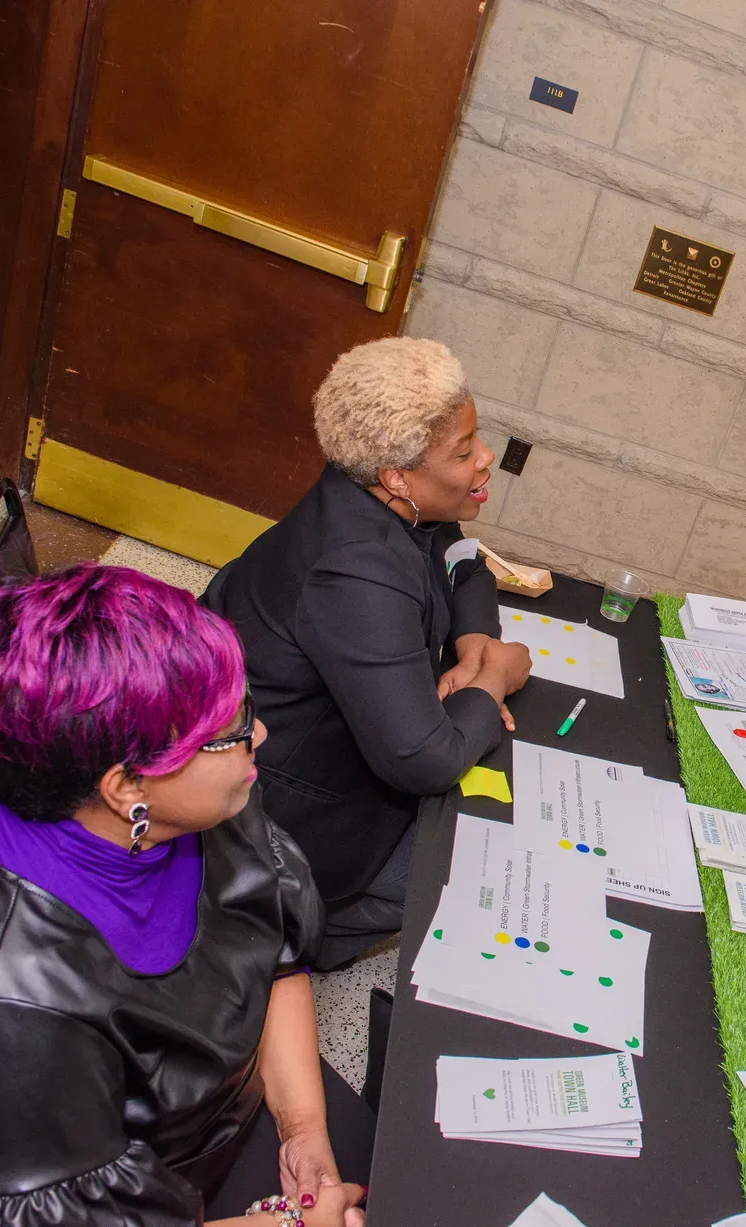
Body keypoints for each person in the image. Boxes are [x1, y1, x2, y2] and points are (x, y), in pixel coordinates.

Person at [0, 565, 370, 1226]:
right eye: (232, 732)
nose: (258, 737)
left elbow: (268, 934)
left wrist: (304, 1127)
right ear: (127, 786)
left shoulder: (156, 799)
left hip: (179, 1127)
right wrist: (291, 1221)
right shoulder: (5, 1008)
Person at [204, 338, 531, 969]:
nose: (486, 457)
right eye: (463, 452)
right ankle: (299, 944)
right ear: (397, 477)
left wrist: (472, 639)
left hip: (320, 739)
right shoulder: (356, 570)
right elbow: (422, 758)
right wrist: (494, 681)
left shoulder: (380, 497)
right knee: (472, 859)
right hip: (282, 800)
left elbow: (461, 553)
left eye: (476, 437)